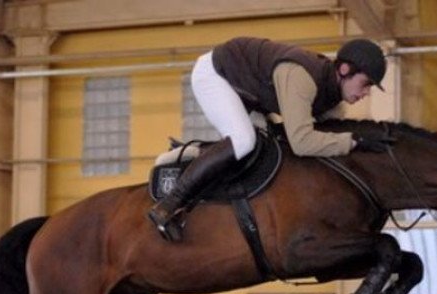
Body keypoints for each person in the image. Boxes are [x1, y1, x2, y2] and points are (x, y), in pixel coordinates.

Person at [149, 36, 394, 242]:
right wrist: (353, 142)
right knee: (244, 141)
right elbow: (302, 142)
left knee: (269, 145)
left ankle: (203, 156)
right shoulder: (303, 79)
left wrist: (357, 143)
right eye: (365, 84)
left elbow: (321, 135)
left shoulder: (333, 100)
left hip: (250, 89)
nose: (365, 93)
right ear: (344, 70)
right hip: (216, 75)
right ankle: (168, 205)